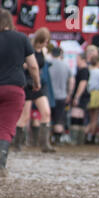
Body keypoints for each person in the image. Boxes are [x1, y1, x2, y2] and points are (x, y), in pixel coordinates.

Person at [0, 9, 40, 177]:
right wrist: (36, 83)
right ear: (10, 21)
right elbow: (33, 65)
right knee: (6, 128)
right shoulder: (22, 38)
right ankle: (1, 165)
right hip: (14, 89)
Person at [14, 27, 55, 153]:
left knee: (46, 112)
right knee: (24, 116)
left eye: (47, 41)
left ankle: (44, 144)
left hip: (37, 85)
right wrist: (25, 65)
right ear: (39, 39)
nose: (45, 44)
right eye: (44, 41)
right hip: (26, 84)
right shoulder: (28, 48)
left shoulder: (43, 51)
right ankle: (17, 143)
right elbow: (20, 63)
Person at [48, 47, 74, 145]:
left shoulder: (48, 64)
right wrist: (69, 93)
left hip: (49, 96)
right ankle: (58, 140)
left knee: (47, 118)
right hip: (62, 96)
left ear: (51, 54)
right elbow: (71, 81)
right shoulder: (66, 66)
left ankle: (48, 139)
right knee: (59, 119)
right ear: (61, 54)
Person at [70, 53, 90, 145]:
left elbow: (83, 84)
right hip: (83, 96)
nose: (76, 61)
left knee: (76, 116)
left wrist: (77, 97)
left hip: (81, 96)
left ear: (83, 59)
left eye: (78, 59)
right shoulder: (82, 70)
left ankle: (75, 141)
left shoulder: (84, 70)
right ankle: (79, 141)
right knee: (79, 116)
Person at [85, 54, 99, 143]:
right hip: (97, 93)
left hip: (89, 93)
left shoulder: (88, 70)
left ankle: (87, 134)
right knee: (95, 118)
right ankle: (90, 135)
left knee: (91, 116)